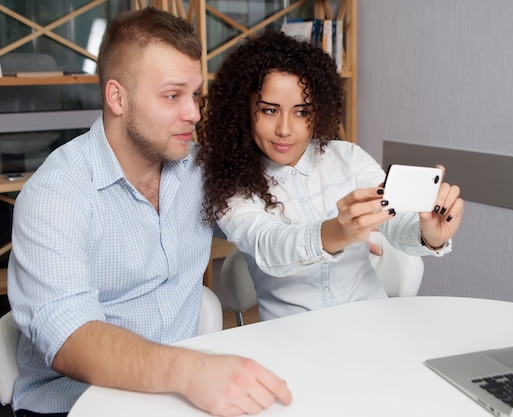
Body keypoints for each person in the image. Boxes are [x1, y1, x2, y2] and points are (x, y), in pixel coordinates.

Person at [7, 8, 291, 417]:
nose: (193, 113)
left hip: (174, 398)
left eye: (194, 95)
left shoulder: (199, 169)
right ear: (117, 97)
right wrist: (191, 371)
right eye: (173, 95)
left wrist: (349, 227)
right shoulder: (56, 194)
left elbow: (274, 219)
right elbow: (70, 337)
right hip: (73, 405)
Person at [196, 30, 464, 321]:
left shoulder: (347, 158)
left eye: (301, 112)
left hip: (373, 326)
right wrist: (337, 232)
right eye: (269, 110)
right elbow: (268, 245)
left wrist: (429, 234)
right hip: (293, 340)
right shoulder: (230, 182)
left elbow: (396, 220)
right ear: (242, 110)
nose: (284, 129)